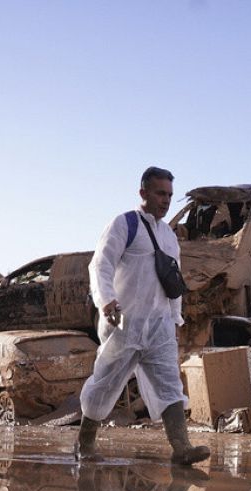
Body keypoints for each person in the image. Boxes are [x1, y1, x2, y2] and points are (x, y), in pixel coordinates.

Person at [76, 166, 210, 465]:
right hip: (124, 323)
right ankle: (85, 443)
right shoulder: (125, 224)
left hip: (159, 326)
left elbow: (172, 282)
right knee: (105, 382)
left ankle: (181, 448)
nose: (165, 200)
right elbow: (101, 265)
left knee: (169, 383)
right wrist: (106, 301)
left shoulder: (169, 236)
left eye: (170, 195)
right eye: (160, 193)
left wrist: (175, 320)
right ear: (143, 193)